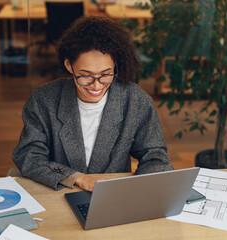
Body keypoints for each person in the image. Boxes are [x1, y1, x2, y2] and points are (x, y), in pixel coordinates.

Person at [12, 16, 174, 191]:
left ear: (115, 66)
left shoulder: (135, 100)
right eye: (86, 75)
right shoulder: (44, 100)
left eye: (106, 74)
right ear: (68, 65)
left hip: (114, 197)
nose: (96, 85)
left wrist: (137, 191)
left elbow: (156, 157)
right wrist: (76, 178)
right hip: (60, 193)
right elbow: (29, 156)